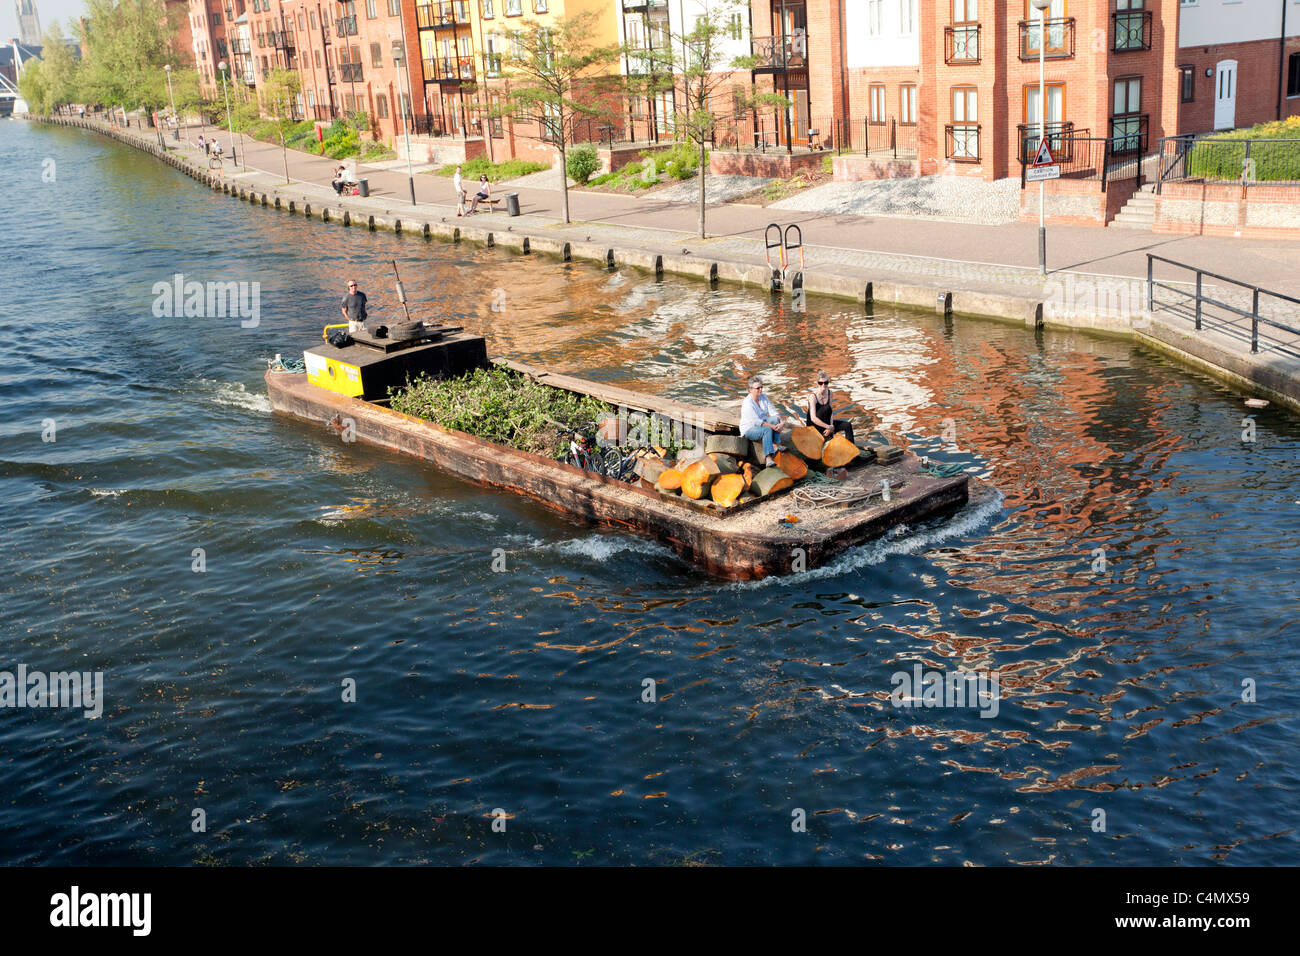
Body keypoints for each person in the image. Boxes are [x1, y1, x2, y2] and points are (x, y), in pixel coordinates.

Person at [740, 377, 784, 467]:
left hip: (761, 423)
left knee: (775, 419)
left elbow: (773, 412)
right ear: (750, 390)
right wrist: (773, 427)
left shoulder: (763, 397)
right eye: (758, 388)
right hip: (749, 429)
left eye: (761, 387)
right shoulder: (747, 402)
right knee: (767, 429)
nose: (760, 390)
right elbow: (756, 422)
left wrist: (781, 423)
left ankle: (776, 445)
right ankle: (768, 458)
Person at [806, 370, 854, 445]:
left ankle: (852, 452)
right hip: (815, 427)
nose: (823, 385)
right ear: (817, 383)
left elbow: (830, 412)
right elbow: (813, 418)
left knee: (847, 425)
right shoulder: (813, 397)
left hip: (827, 424)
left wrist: (831, 426)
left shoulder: (830, 393)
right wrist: (828, 427)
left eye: (826, 383)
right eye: (820, 383)